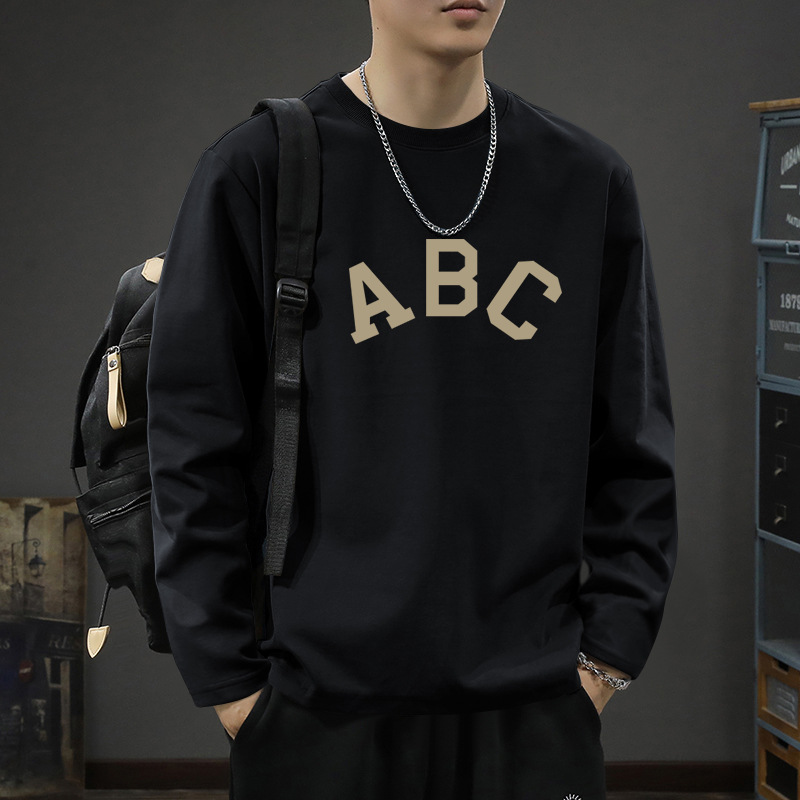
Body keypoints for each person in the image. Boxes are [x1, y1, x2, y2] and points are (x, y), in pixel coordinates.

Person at [146, 0, 678, 798]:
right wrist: (231, 687)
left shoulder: (583, 180)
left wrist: (604, 661)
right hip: (317, 714)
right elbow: (192, 440)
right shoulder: (261, 168)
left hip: (533, 710)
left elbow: (634, 443)